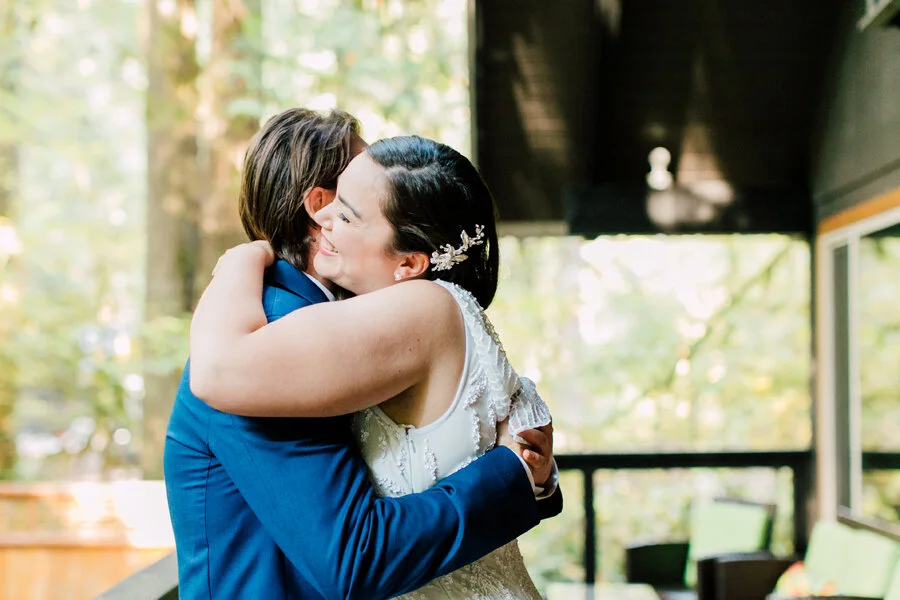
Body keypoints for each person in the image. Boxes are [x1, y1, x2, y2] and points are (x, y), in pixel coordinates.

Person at [163, 109, 561, 600]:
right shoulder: (265, 333)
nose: (386, 172)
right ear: (319, 206)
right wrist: (512, 476)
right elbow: (352, 557)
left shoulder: (385, 317)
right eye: (353, 188)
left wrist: (531, 467)